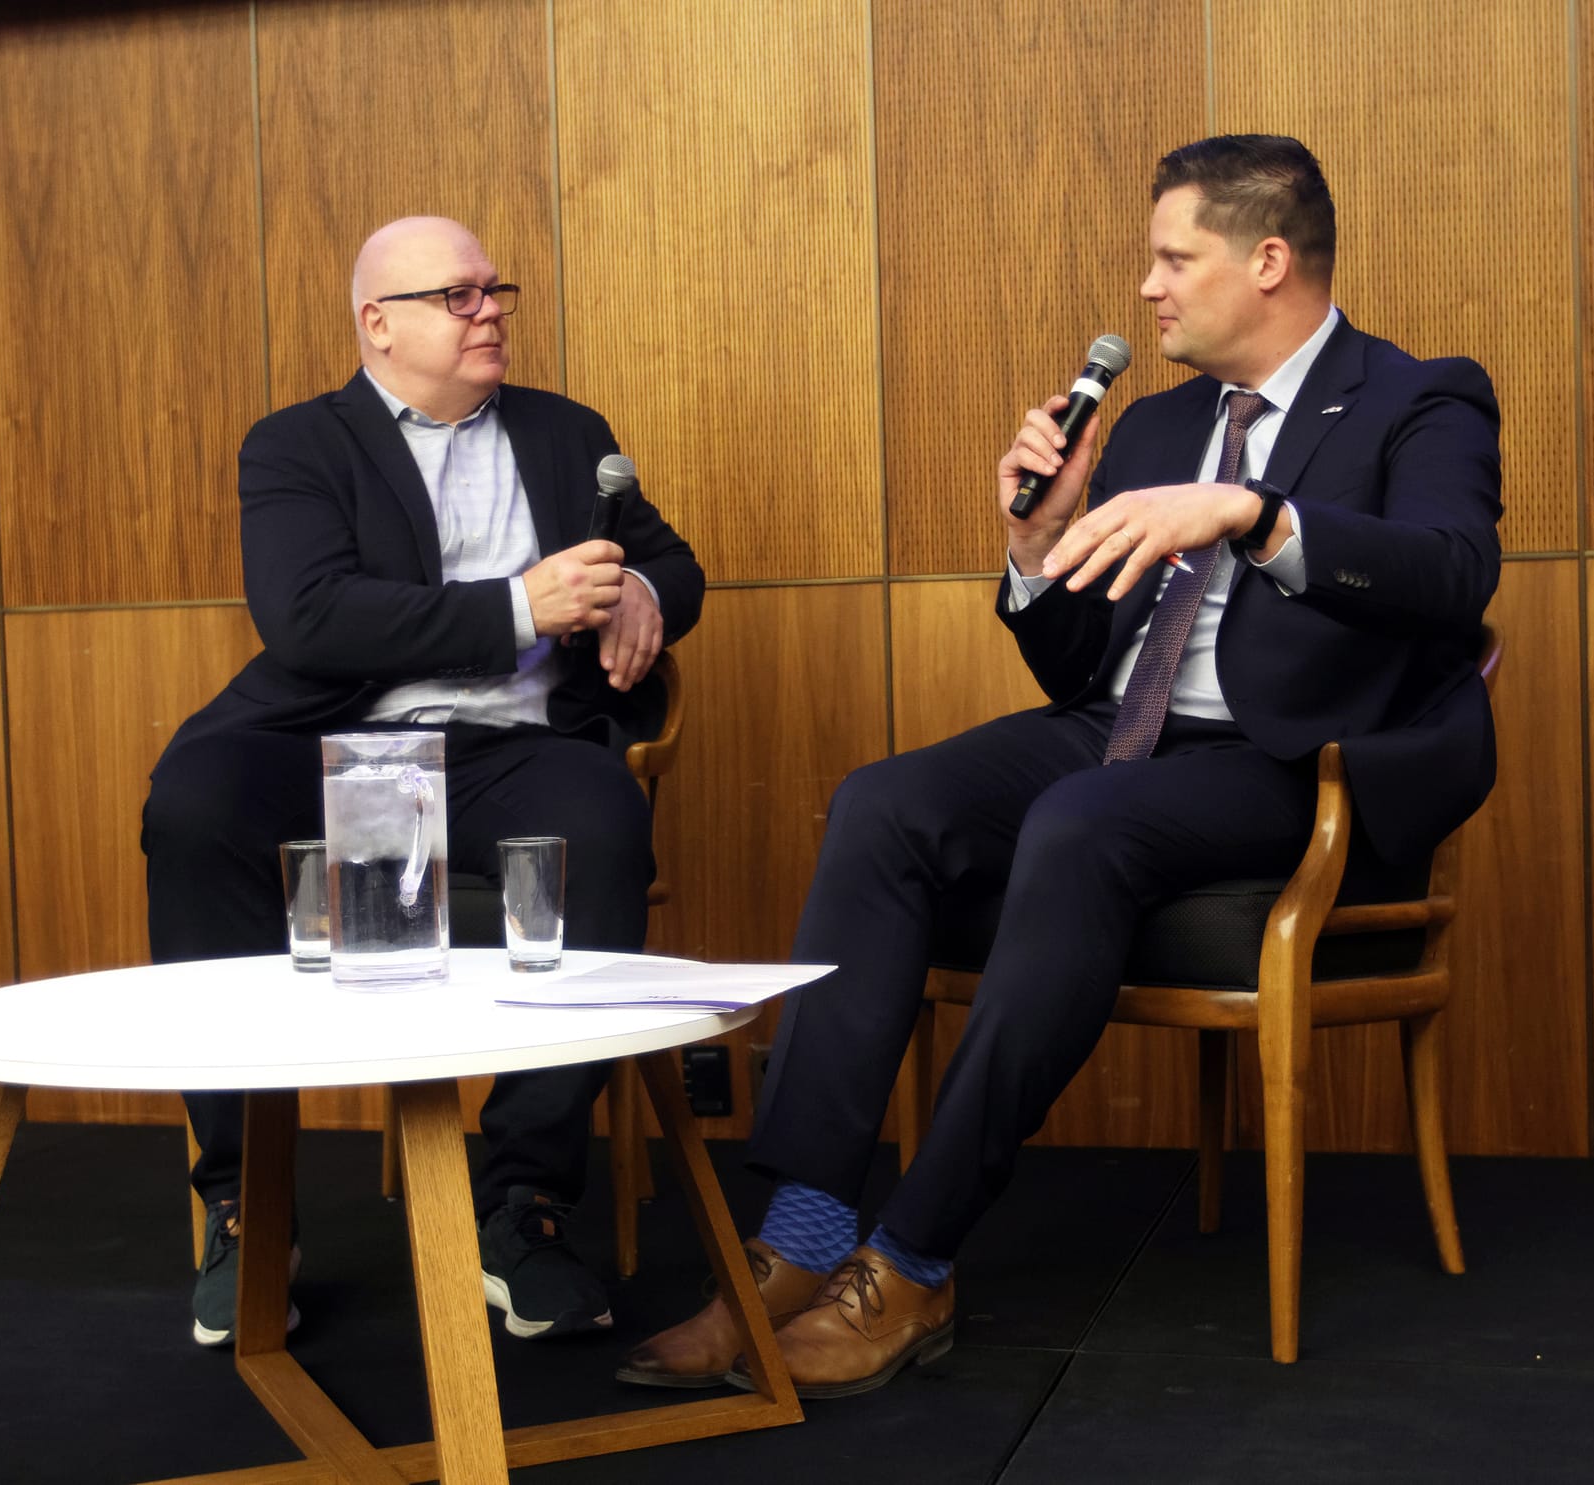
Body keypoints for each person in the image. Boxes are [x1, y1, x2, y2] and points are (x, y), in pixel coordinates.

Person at [619, 134, 1501, 1397]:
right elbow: (1079, 667)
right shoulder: (1156, 424)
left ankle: (912, 1259)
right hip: (1117, 734)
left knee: (1083, 823)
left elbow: (1452, 573)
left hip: (1283, 759)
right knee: (886, 803)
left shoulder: (1419, 399)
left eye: (1173, 258)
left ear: (1265, 260)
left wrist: (1253, 514)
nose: (1147, 287)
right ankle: (801, 1240)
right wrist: (1035, 550)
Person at [143, 216, 703, 1348]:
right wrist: (516, 607)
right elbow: (309, 618)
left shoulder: (565, 432)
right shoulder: (296, 446)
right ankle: (246, 1204)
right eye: (457, 295)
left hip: (507, 749)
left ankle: (524, 1202)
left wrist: (645, 592)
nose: (489, 309)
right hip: (335, 742)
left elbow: (669, 560)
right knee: (196, 806)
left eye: (493, 289)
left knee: (601, 818)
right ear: (379, 324)